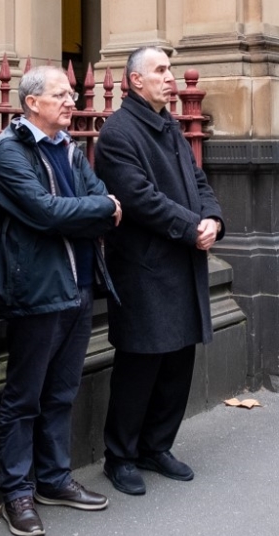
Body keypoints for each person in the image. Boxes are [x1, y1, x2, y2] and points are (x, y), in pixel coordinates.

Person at [0, 66, 122, 536]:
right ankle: (17, 490)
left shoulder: (71, 149)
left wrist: (92, 210)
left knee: (61, 392)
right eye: (61, 94)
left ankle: (54, 480)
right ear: (32, 102)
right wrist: (98, 210)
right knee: (23, 397)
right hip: (37, 291)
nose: (71, 100)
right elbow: (46, 212)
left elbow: (95, 199)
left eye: (72, 93)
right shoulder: (8, 152)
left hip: (79, 286)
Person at [93, 46, 224, 496]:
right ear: (134, 81)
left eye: (170, 70)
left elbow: (199, 180)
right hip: (144, 266)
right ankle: (121, 455)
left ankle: (156, 445)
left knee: (177, 361)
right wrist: (192, 228)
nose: (171, 78)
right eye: (161, 71)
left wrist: (213, 220)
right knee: (141, 363)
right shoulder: (118, 133)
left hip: (182, 258)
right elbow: (139, 199)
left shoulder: (168, 124)